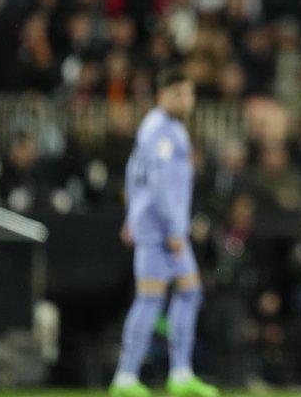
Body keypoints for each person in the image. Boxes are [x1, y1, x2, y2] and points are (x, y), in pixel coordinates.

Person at [110, 67, 219, 397]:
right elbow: (156, 183)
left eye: (189, 94)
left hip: (162, 226)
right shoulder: (160, 130)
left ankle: (181, 373)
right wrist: (173, 228)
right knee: (150, 299)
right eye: (179, 94)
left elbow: (133, 172)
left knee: (189, 292)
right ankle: (125, 377)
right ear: (162, 95)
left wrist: (131, 214)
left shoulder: (166, 128)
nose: (186, 100)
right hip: (160, 230)